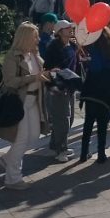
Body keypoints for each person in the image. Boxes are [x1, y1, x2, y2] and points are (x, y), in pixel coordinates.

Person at [0, 22, 49, 190]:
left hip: (34, 101)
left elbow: (39, 74)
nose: (38, 39)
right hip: (19, 102)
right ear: (25, 37)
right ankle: (12, 178)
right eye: (35, 36)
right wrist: (34, 77)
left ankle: (7, 159)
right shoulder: (13, 56)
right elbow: (10, 81)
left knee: (34, 136)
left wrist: (48, 74)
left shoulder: (34, 54)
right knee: (21, 140)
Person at [81, 27, 110, 163]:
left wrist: (88, 62)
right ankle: (101, 154)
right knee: (102, 125)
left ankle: (83, 153)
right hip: (108, 92)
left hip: (93, 90)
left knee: (88, 123)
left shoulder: (95, 49)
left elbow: (96, 68)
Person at [42, 20, 78, 162]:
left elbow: (75, 64)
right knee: (62, 119)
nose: (70, 29)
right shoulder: (53, 47)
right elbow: (48, 68)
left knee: (69, 118)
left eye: (71, 27)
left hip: (70, 86)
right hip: (58, 88)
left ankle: (54, 144)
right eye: (67, 28)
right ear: (59, 32)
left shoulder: (73, 45)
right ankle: (61, 150)